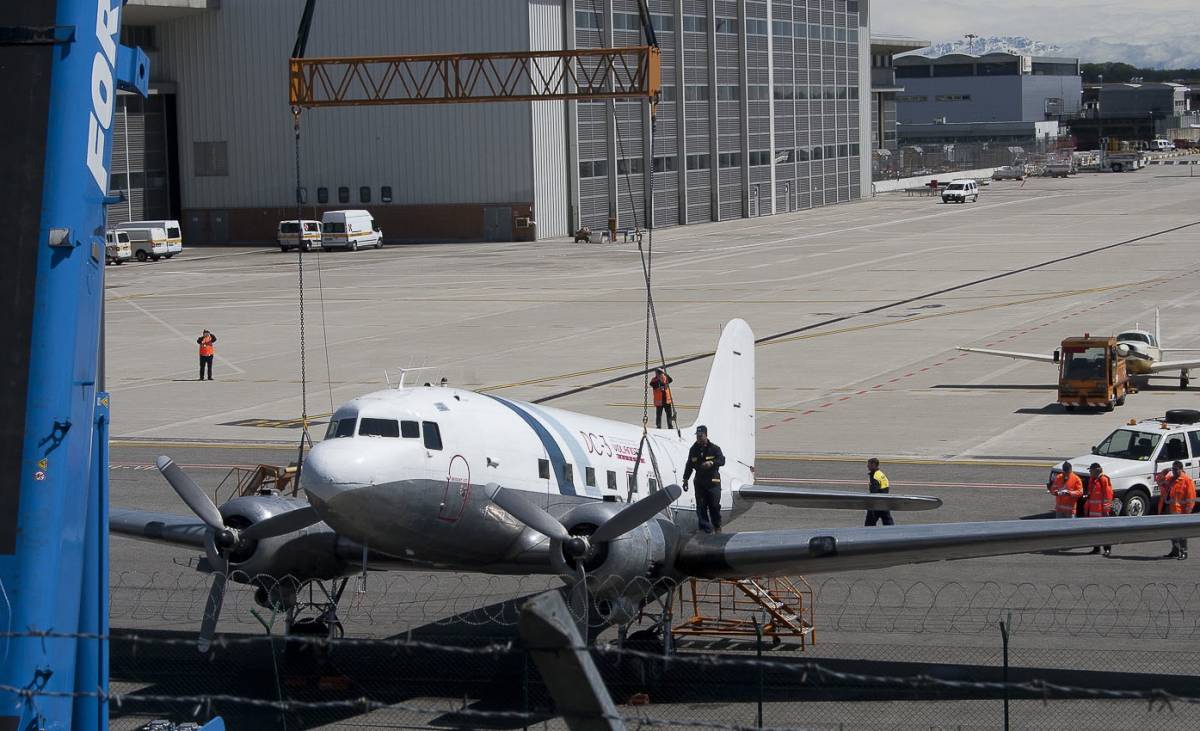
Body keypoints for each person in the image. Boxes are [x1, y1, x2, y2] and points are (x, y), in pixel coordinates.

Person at [682, 425, 725, 534]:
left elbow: (722, 460)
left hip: (713, 482)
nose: (699, 438)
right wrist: (685, 479)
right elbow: (689, 465)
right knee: (701, 507)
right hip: (700, 483)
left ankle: (717, 526)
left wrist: (712, 463)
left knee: (714, 506)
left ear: (706, 435)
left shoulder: (714, 448)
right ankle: (705, 530)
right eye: (697, 436)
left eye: (701, 436)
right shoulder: (694, 449)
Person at [1157, 460, 1196, 560]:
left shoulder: (1187, 480)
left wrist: (1187, 513)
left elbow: (1191, 498)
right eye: (1173, 469)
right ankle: (1175, 550)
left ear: (1181, 469)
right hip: (1169, 509)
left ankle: (1184, 551)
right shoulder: (1170, 479)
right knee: (1172, 531)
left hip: (1181, 512)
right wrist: (1164, 472)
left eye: (1176, 469)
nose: (1174, 471)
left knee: (1181, 532)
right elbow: (1160, 482)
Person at [1084, 462, 1114, 556]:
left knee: (1104, 531)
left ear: (1096, 470)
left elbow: (1108, 495)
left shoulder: (1104, 479)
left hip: (1101, 511)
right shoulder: (1093, 480)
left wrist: (1106, 510)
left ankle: (1107, 549)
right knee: (1094, 531)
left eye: (1091, 470)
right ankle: (1096, 548)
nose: (1090, 472)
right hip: (1093, 511)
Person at [864, 458, 894, 527]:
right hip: (884, 502)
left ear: (873, 464)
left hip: (876, 504)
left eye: (869, 464)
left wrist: (870, 504)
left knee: (869, 524)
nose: (867, 466)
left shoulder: (875, 477)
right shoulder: (881, 474)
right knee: (888, 523)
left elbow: (874, 493)